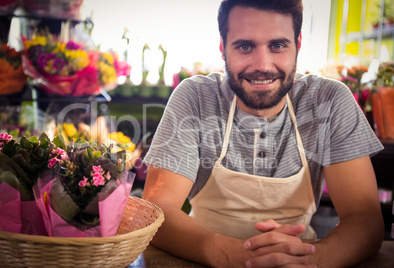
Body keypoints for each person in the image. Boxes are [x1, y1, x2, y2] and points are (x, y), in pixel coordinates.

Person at [142, 0, 385, 267]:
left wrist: (311, 261)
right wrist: (234, 255)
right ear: (223, 48)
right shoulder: (196, 97)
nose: (262, 65)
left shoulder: (329, 100)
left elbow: (364, 218)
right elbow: (157, 211)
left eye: (277, 45)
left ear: (298, 46)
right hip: (202, 260)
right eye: (245, 46)